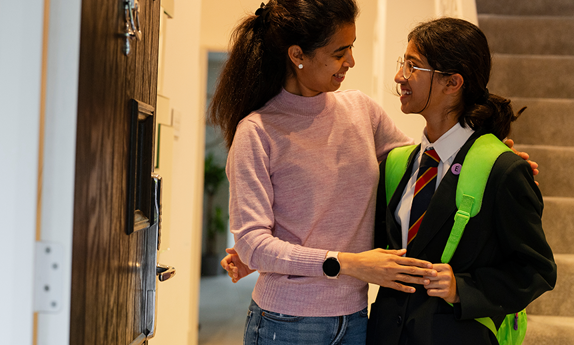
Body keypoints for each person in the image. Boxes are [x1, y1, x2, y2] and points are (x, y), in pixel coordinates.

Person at [210, 0, 536, 344]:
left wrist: (489, 163)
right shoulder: (257, 132)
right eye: (340, 52)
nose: (351, 61)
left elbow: (421, 166)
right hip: (286, 322)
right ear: (297, 55)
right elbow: (252, 245)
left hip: (356, 321)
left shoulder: (360, 111)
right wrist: (349, 263)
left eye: (351, 48)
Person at [366, 18, 556, 345]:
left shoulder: (503, 169)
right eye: (403, 64)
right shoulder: (397, 163)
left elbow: (535, 271)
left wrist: (463, 289)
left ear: (452, 83)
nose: (400, 77)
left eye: (413, 67)